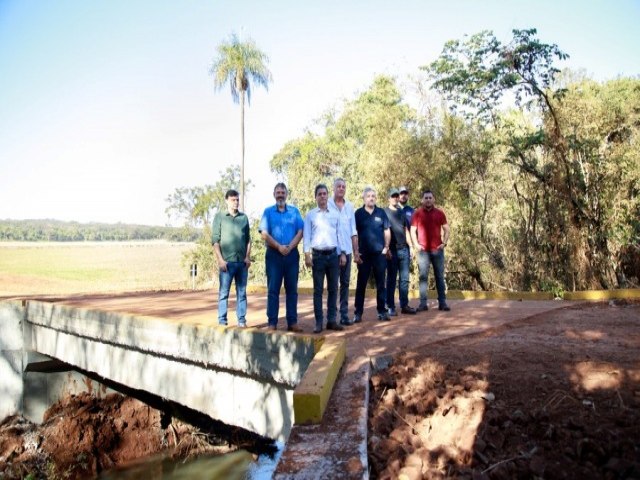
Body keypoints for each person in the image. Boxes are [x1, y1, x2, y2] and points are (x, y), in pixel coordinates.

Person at [259, 183, 304, 332]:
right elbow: (264, 234)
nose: (280, 195)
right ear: (274, 194)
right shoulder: (267, 212)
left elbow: (300, 231)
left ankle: (292, 322)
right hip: (273, 256)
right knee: (273, 290)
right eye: (278, 192)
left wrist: (289, 247)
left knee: (292, 290)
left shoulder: (294, 211)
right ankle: (272, 323)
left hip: (291, 255)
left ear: (286, 194)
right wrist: (279, 247)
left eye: (282, 192)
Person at [304, 184, 346, 333]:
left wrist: (342, 253)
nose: (322, 196)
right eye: (320, 194)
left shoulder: (335, 215)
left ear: (328, 196)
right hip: (318, 257)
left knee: (334, 289)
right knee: (318, 290)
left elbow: (339, 235)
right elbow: (307, 236)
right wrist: (307, 255)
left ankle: (332, 320)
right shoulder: (310, 215)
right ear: (315, 197)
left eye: (324, 194)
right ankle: (318, 322)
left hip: (333, 256)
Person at [211, 189, 251, 327]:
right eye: (233, 200)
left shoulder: (244, 218)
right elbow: (215, 241)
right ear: (226, 200)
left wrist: (247, 257)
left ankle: (242, 320)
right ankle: (222, 320)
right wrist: (220, 260)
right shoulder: (220, 217)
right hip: (226, 263)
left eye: (237, 200)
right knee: (223, 293)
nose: (236, 202)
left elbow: (248, 240)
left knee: (242, 293)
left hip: (241, 263)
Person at [354, 187, 391, 322]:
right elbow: (354, 234)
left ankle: (382, 311)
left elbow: (387, 230)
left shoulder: (381, 213)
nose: (371, 198)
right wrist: (356, 252)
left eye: (373, 196)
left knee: (381, 284)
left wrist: (386, 247)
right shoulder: (358, 214)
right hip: (363, 255)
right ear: (364, 198)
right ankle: (358, 313)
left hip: (379, 255)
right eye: (368, 196)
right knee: (361, 285)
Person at [410, 190, 451, 312]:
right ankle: (423, 304)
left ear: (434, 199)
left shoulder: (440, 213)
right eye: (426, 198)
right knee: (423, 277)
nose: (428, 200)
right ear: (422, 200)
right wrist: (416, 244)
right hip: (423, 252)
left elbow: (447, 229)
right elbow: (412, 230)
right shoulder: (417, 214)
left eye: (430, 198)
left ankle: (442, 303)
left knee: (439, 276)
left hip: (437, 251)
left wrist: (444, 243)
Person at [328, 178, 360, 326]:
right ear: (333, 188)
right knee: (333, 285)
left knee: (345, 283)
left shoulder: (350, 207)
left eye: (343, 186)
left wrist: (356, 252)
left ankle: (344, 315)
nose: (341, 188)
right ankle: (332, 317)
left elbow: (353, 232)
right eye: (339, 186)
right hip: (332, 252)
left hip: (347, 251)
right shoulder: (327, 204)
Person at [384, 188, 417, 316]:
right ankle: (390, 306)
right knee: (391, 279)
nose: (395, 198)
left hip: (404, 249)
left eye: (397, 196)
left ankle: (404, 305)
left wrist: (412, 246)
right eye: (393, 196)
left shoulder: (401, 212)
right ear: (389, 198)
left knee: (404, 280)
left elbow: (406, 230)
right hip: (392, 250)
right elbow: (383, 231)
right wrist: (386, 248)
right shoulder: (384, 212)